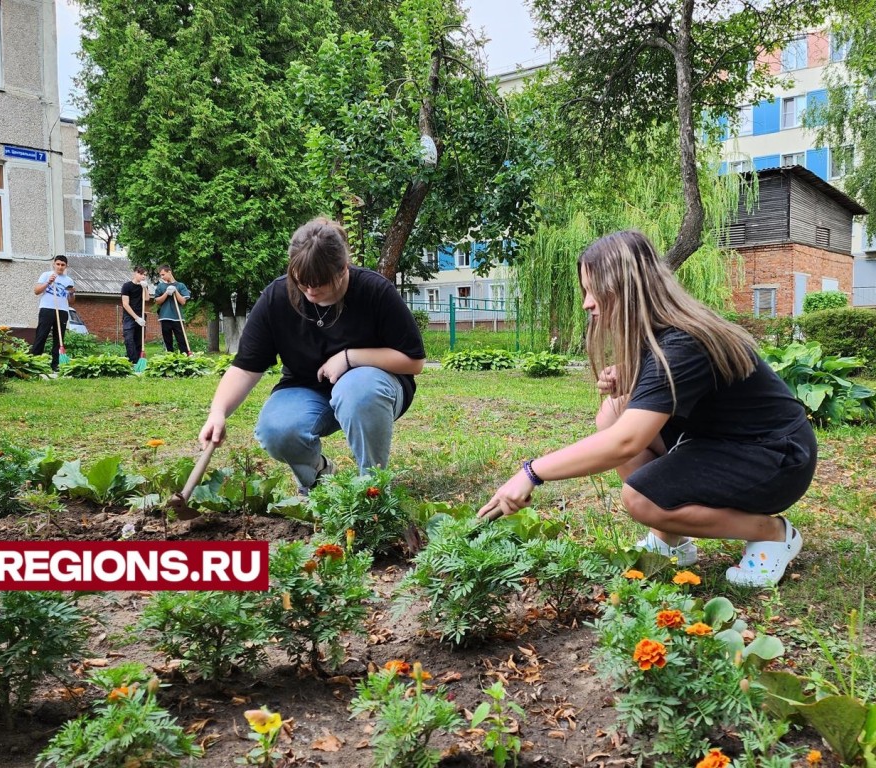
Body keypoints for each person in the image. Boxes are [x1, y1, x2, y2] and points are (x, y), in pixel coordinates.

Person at [478, 230, 817, 588]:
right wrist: (634, 380)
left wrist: (531, 473)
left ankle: (772, 532)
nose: (587, 304)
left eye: (595, 291)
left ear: (626, 287)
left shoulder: (684, 341)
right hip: (726, 443)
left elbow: (625, 443)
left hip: (775, 457)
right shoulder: (662, 336)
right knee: (614, 410)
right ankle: (672, 539)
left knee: (640, 498)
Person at [198, 217, 426, 493]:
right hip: (306, 391)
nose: (310, 291)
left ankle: (374, 488)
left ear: (343, 269)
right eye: (302, 282)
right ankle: (318, 478)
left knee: (357, 390)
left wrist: (349, 358)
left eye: (319, 283)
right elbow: (246, 367)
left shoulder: (374, 291)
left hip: (374, 391)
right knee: (277, 429)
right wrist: (218, 412)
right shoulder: (277, 297)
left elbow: (414, 361)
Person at [29, 255, 75, 371]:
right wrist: (48, 282)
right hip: (47, 309)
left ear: (66, 266)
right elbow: (36, 291)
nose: (60, 267)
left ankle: (56, 365)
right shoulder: (46, 275)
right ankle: (35, 362)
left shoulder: (69, 280)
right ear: (54, 264)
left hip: (62, 310)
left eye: (62, 265)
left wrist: (71, 293)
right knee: (42, 335)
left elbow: (71, 301)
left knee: (59, 338)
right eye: (58, 264)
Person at [152, 264, 191, 354]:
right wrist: (166, 293)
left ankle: (184, 357)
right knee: (168, 341)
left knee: (182, 340)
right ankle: (170, 358)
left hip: (178, 318)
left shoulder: (180, 285)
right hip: (165, 317)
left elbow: (183, 302)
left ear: (169, 272)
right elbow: (157, 301)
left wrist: (175, 291)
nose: (161, 277)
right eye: (160, 275)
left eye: (163, 274)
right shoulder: (161, 286)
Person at [121, 266, 149, 364]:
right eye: (141, 274)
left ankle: (137, 363)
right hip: (129, 317)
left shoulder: (143, 286)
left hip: (141, 315)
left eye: (145, 275)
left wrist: (145, 288)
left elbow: (146, 299)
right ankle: (132, 360)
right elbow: (125, 304)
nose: (143, 276)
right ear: (135, 273)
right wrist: (136, 318)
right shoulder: (127, 286)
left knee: (139, 340)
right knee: (129, 339)